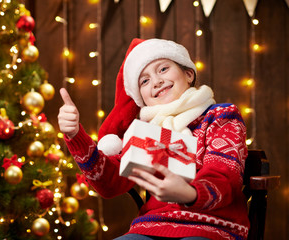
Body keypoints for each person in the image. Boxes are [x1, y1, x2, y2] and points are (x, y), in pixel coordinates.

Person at [58, 38, 249, 240]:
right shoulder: (147, 131)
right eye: (145, 81)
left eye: (163, 69)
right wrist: (75, 136)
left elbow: (224, 175)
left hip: (213, 227)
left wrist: (190, 194)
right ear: (142, 98)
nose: (156, 81)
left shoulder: (220, 116)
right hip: (152, 227)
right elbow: (110, 182)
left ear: (189, 74)